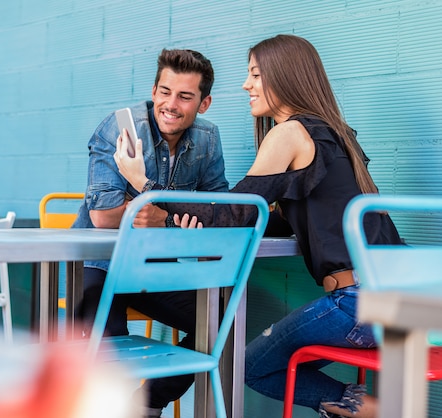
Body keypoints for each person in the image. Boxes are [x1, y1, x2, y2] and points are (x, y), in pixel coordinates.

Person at [115, 34, 402, 418]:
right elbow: (266, 217)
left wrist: (143, 185)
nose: (246, 85)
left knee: (253, 365)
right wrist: (187, 217)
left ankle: (379, 411)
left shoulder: (289, 133)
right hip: (408, 296)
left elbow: (237, 212)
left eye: (254, 74)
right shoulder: (337, 133)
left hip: (362, 304)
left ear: (285, 76)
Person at [72, 48, 230, 417]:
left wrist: (163, 216)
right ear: (154, 89)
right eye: (164, 91)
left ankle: (146, 403)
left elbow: (218, 212)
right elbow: (105, 217)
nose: (170, 104)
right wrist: (176, 215)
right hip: (100, 265)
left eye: (184, 96)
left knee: (222, 316)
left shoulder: (207, 139)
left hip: (153, 266)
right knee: (109, 356)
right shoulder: (121, 128)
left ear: (203, 103)